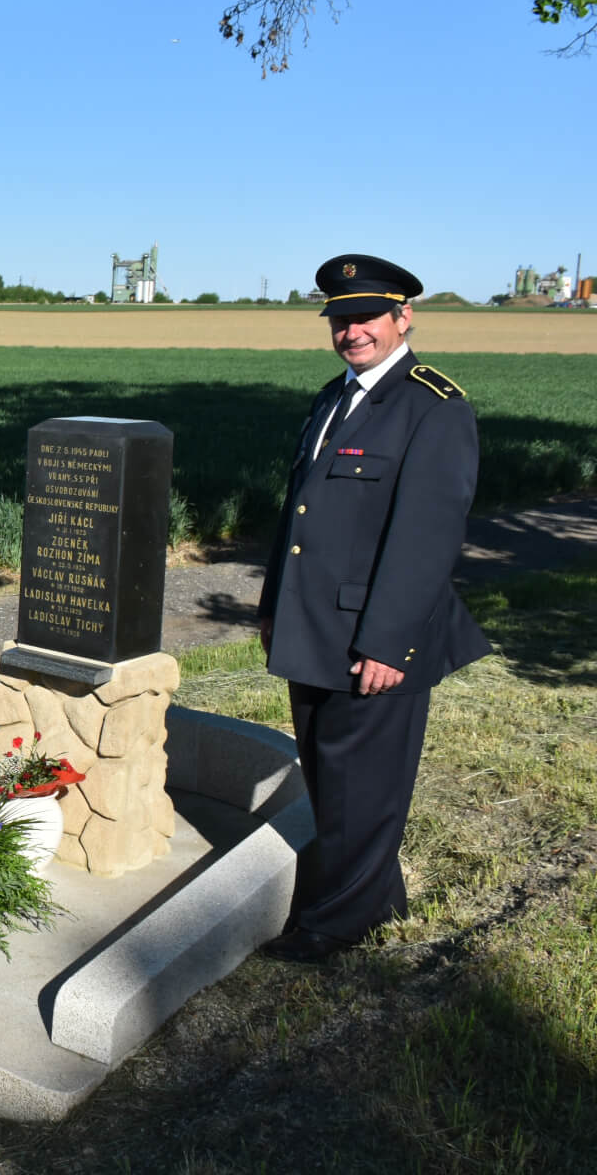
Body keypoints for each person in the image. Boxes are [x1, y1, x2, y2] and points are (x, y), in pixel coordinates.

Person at [257, 254, 489, 964]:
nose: (352, 331)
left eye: (366, 317)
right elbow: (300, 514)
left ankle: (335, 926)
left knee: (362, 786)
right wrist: (272, 605)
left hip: (374, 637)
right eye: (340, 319)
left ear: (403, 317)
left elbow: (427, 539)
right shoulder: (334, 398)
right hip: (314, 625)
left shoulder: (433, 407)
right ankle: (378, 900)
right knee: (333, 779)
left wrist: (388, 643)